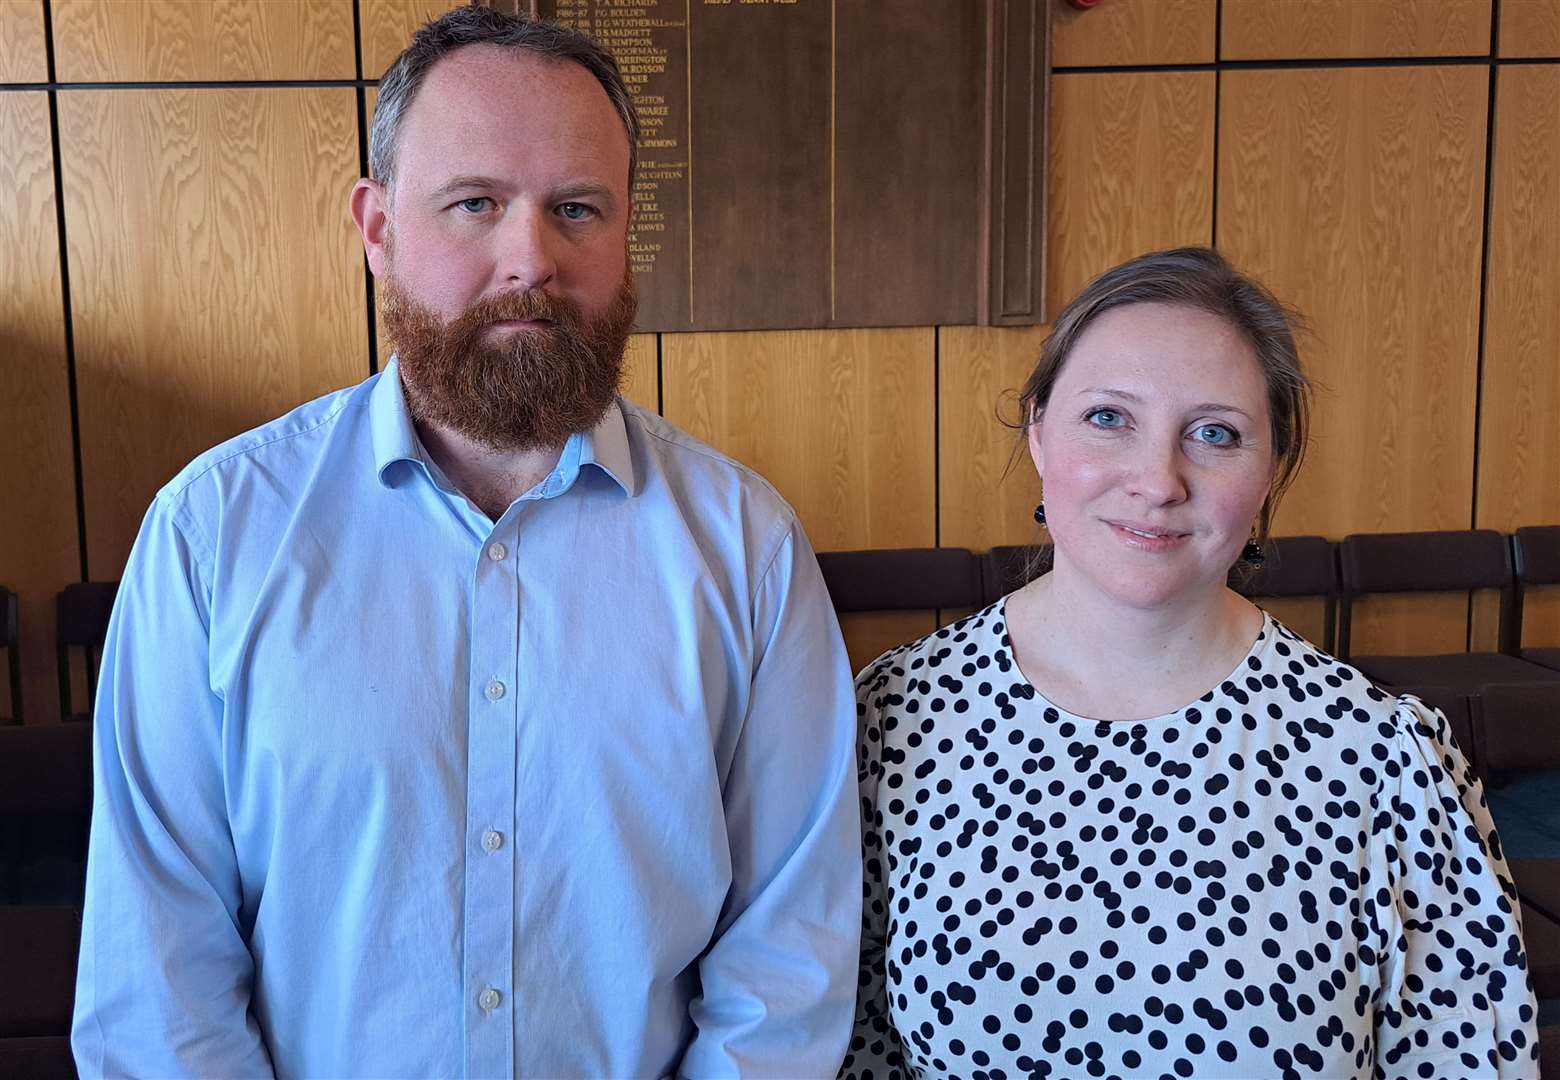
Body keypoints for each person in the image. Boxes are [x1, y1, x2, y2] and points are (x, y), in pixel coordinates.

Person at [72, 7, 860, 1077]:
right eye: (474, 203)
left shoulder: (749, 554)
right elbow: (158, 982)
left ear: (626, 232)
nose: (528, 258)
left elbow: (785, 967)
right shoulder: (214, 538)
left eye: (576, 208)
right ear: (379, 227)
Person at [841, 247, 1538, 1079]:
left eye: (1215, 434)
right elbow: (859, 1051)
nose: (1157, 480)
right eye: (1109, 417)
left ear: (1270, 470)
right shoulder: (891, 721)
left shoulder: (1387, 763)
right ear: (1037, 430)